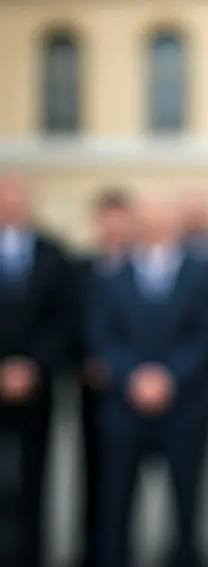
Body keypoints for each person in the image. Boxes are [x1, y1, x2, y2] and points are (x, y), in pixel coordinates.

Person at [85, 192, 208, 567]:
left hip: (186, 402)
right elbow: (100, 333)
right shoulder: (110, 272)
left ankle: (185, 557)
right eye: (147, 216)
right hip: (123, 404)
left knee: (186, 498)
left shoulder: (204, 271)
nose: (155, 224)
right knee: (117, 498)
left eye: (163, 215)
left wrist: (170, 377)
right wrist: (132, 375)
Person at [0, 173, 74, 567]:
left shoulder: (53, 253)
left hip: (36, 385)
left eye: (17, 197)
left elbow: (63, 318)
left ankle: (31, 554)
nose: (11, 204)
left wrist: (32, 366)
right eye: (3, 197)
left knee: (35, 477)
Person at [75, 188, 135, 567]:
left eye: (120, 218)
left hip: (130, 381)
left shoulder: (141, 266)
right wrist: (87, 360)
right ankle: (94, 550)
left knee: (123, 478)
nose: (113, 226)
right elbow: (72, 319)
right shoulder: (80, 267)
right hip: (92, 383)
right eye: (106, 218)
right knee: (91, 470)